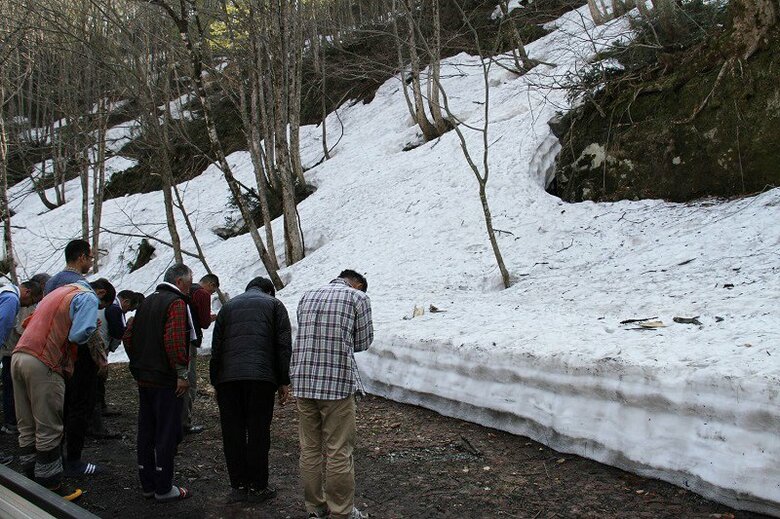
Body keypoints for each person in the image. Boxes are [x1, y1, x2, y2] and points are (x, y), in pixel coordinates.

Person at [11, 278, 115, 501]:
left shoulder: (56, 294)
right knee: (48, 427)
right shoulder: (86, 296)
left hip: (19, 356)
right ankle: (51, 487)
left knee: (27, 425)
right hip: (44, 361)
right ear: (100, 293)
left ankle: (30, 480)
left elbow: (26, 323)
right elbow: (79, 334)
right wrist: (90, 330)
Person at [291, 270, 374, 519]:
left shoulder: (307, 295)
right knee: (338, 449)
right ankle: (341, 512)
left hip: (303, 380)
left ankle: (315, 507)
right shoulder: (357, 298)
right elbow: (364, 341)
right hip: (336, 382)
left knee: (310, 448)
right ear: (357, 284)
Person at [209, 276, 291, 504]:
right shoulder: (274, 305)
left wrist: (216, 381)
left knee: (232, 432)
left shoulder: (228, 306)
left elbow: (217, 347)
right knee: (258, 432)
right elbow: (283, 345)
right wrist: (283, 380)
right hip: (261, 378)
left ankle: (238, 485)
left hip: (228, 379)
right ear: (269, 291)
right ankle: (258, 486)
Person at [123, 263, 194, 503]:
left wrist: (139, 362)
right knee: (166, 431)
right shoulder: (175, 303)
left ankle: (148, 483)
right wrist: (182, 373)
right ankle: (164, 487)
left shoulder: (146, 302)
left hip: (145, 377)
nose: (190, 287)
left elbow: (128, 336)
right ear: (180, 282)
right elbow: (174, 340)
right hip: (164, 379)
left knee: (146, 431)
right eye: (189, 282)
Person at [88, 290, 144, 438]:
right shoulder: (115, 309)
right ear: (125, 302)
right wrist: (130, 327)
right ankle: (96, 425)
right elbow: (118, 332)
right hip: (97, 348)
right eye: (130, 308)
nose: (128, 312)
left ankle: (99, 413)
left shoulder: (109, 306)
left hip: (95, 346)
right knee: (96, 384)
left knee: (97, 384)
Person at [0, 280, 43, 437]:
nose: (26, 306)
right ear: (27, 293)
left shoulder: (5, 292)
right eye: (31, 302)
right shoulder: (11, 299)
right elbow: (2, 326)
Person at [182, 273, 219, 435]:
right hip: (189, 340)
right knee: (189, 381)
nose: (211, 294)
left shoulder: (187, 290)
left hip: (176, 338)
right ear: (210, 284)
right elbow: (203, 322)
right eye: (213, 291)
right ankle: (185, 422)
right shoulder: (203, 294)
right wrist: (214, 317)